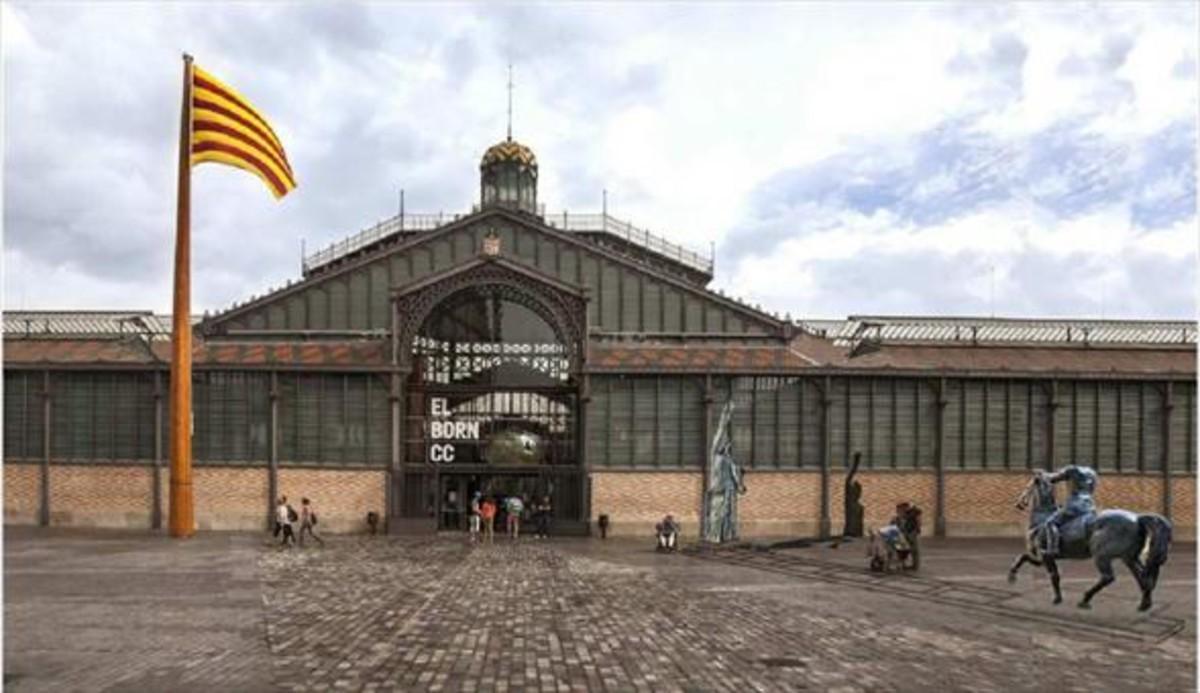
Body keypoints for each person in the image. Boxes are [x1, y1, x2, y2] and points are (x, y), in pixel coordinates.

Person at [1039, 464, 1099, 558]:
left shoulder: (1072, 470)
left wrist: (1043, 475)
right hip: (1089, 505)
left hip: (1075, 505)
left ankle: (1052, 549)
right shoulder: (1092, 473)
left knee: (1050, 523)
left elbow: (1053, 478)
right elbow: (1093, 489)